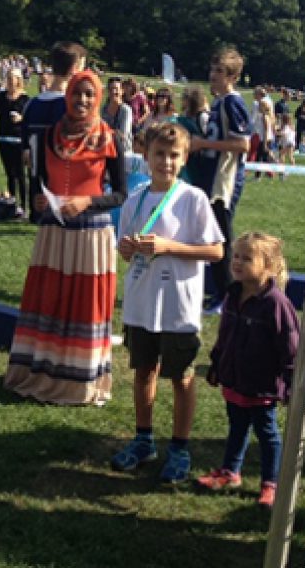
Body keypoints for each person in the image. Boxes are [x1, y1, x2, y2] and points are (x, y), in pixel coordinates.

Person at [4, 70, 126, 406]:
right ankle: (44, 369)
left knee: (84, 305)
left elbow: (121, 194)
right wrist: (40, 202)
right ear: (67, 95)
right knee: (50, 301)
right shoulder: (50, 136)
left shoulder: (110, 137)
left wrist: (88, 201)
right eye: (77, 93)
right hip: (54, 232)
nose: (82, 101)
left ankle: (79, 379)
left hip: (91, 236)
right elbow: (40, 183)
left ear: (98, 97)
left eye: (89, 94)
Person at [110, 122, 224, 483]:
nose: (166, 162)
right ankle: (144, 439)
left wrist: (168, 248)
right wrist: (127, 248)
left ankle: (180, 446)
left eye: (174, 156)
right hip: (142, 303)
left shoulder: (193, 199)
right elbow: (125, 247)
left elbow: (216, 251)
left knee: (182, 377)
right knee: (143, 371)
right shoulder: (136, 199)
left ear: (184, 158)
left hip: (179, 307)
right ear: (147, 156)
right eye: (159, 154)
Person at [197, 232, 298, 508]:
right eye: (236, 256)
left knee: (267, 433)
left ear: (268, 266)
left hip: (261, 382)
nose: (237, 263)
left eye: (247, 258)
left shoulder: (276, 304)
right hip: (235, 378)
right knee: (237, 426)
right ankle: (230, 472)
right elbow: (224, 334)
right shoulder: (232, 294)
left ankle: (271, 483)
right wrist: (217, 364)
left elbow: (289, 346)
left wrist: (290, 382)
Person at [186, 47, 250, 315]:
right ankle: (220, 290)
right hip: (211, 178)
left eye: (220, 72)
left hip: (224, 180)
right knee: (211, 234)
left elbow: (243, 144)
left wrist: (203, 143)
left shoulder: (233, 103)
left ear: (233, 76)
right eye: (212, 70)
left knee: (221, 238)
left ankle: (229, 296)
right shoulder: (218, 102)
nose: (213, 76)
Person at [22, 42, 87, 223]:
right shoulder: (72, 107)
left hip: (38, 185)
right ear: (75, 69)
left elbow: (26, 150)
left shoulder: (32, 105)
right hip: (64, 186)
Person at [0, 68, 30, 215]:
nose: (9, 81)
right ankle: (12, 204)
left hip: (19, 141)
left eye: (12, 78)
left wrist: (21, 119)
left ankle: (24, 206)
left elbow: (30, 120)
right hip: (3, 140)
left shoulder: (25, 99)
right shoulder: (1, 97)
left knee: (20, 175)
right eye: (8, 78)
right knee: (10, 174)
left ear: (18, 80)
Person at [102, 76, 133, 152]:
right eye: (110, 89)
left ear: (122, 91)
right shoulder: (104, 109)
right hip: (107, 149)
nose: (113, 91)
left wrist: (106, 132)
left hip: (122, 150)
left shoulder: (125, 110)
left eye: (116, 89)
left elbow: (123, 134)